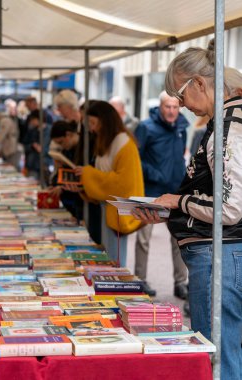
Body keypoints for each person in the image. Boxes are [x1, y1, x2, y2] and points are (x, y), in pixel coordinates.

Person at [132, 39, 242, 380]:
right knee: (225, 352)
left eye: (180, 94)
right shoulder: (224, 122)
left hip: (218, 255)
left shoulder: (228, 126)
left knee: (217, 357)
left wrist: (177, 202)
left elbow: (230, 207)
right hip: (219, 253)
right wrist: (174, 210)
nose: (179, 104)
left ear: (199, 83)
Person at [65, 100, 144, 266]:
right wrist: (84, 181)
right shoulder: (109, 141)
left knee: (115, 261)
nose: (92, 129)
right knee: (110, 258)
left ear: (105, 121)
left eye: (93, 123)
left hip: (116, 212)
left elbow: (122, 183)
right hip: (107, 210)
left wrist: (88, 174)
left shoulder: (123, 143)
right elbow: (107, 177)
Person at [134, 91, 189, 297]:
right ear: (160, 106)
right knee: (144, 239)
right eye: (168, 107)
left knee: (178, 238)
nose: (172, 111)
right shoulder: (145, 127)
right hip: (151, 192)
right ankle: (140, 280)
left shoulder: (182, 127)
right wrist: (155, 174)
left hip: (175, 193)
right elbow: (136, 159)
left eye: (175, 107)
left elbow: (181, 155)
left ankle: (180, 282)